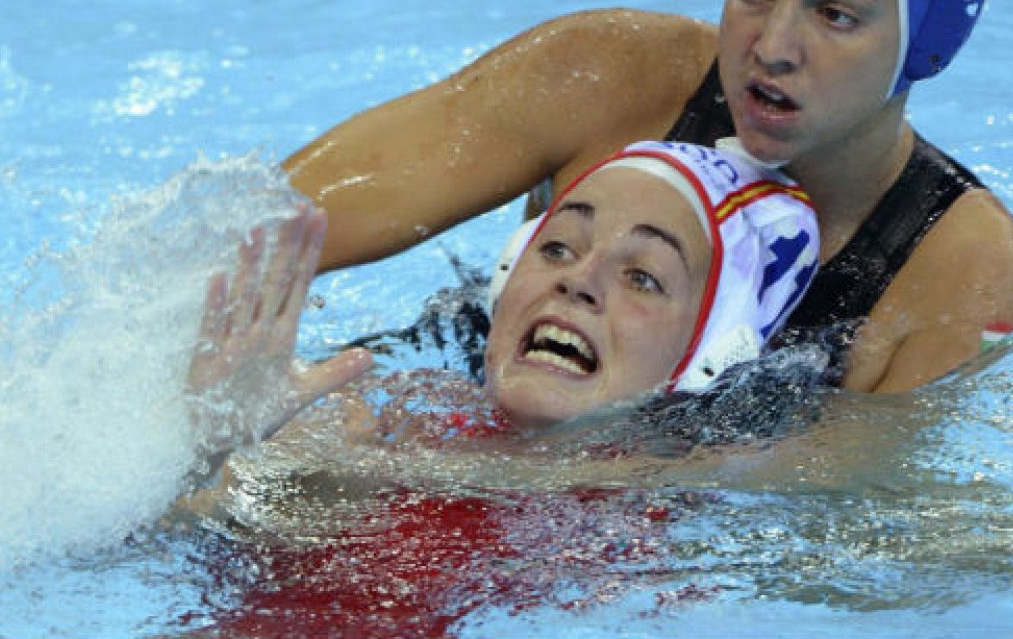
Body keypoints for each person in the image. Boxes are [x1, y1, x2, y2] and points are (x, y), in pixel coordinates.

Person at [280, 0, 1013, 394]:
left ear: (929, 36)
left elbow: (851, 514)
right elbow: (270, 226)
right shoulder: (608, 76)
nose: (771, 48)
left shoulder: (963, 269)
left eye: (835, 14)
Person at [178, 140, 819, 639]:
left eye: (644, 278)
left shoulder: (691, 535)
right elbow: (158, 534)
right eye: (560, 247)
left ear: (706, 353)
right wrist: (203, 448)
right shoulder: (395, 417)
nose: (581, 281)